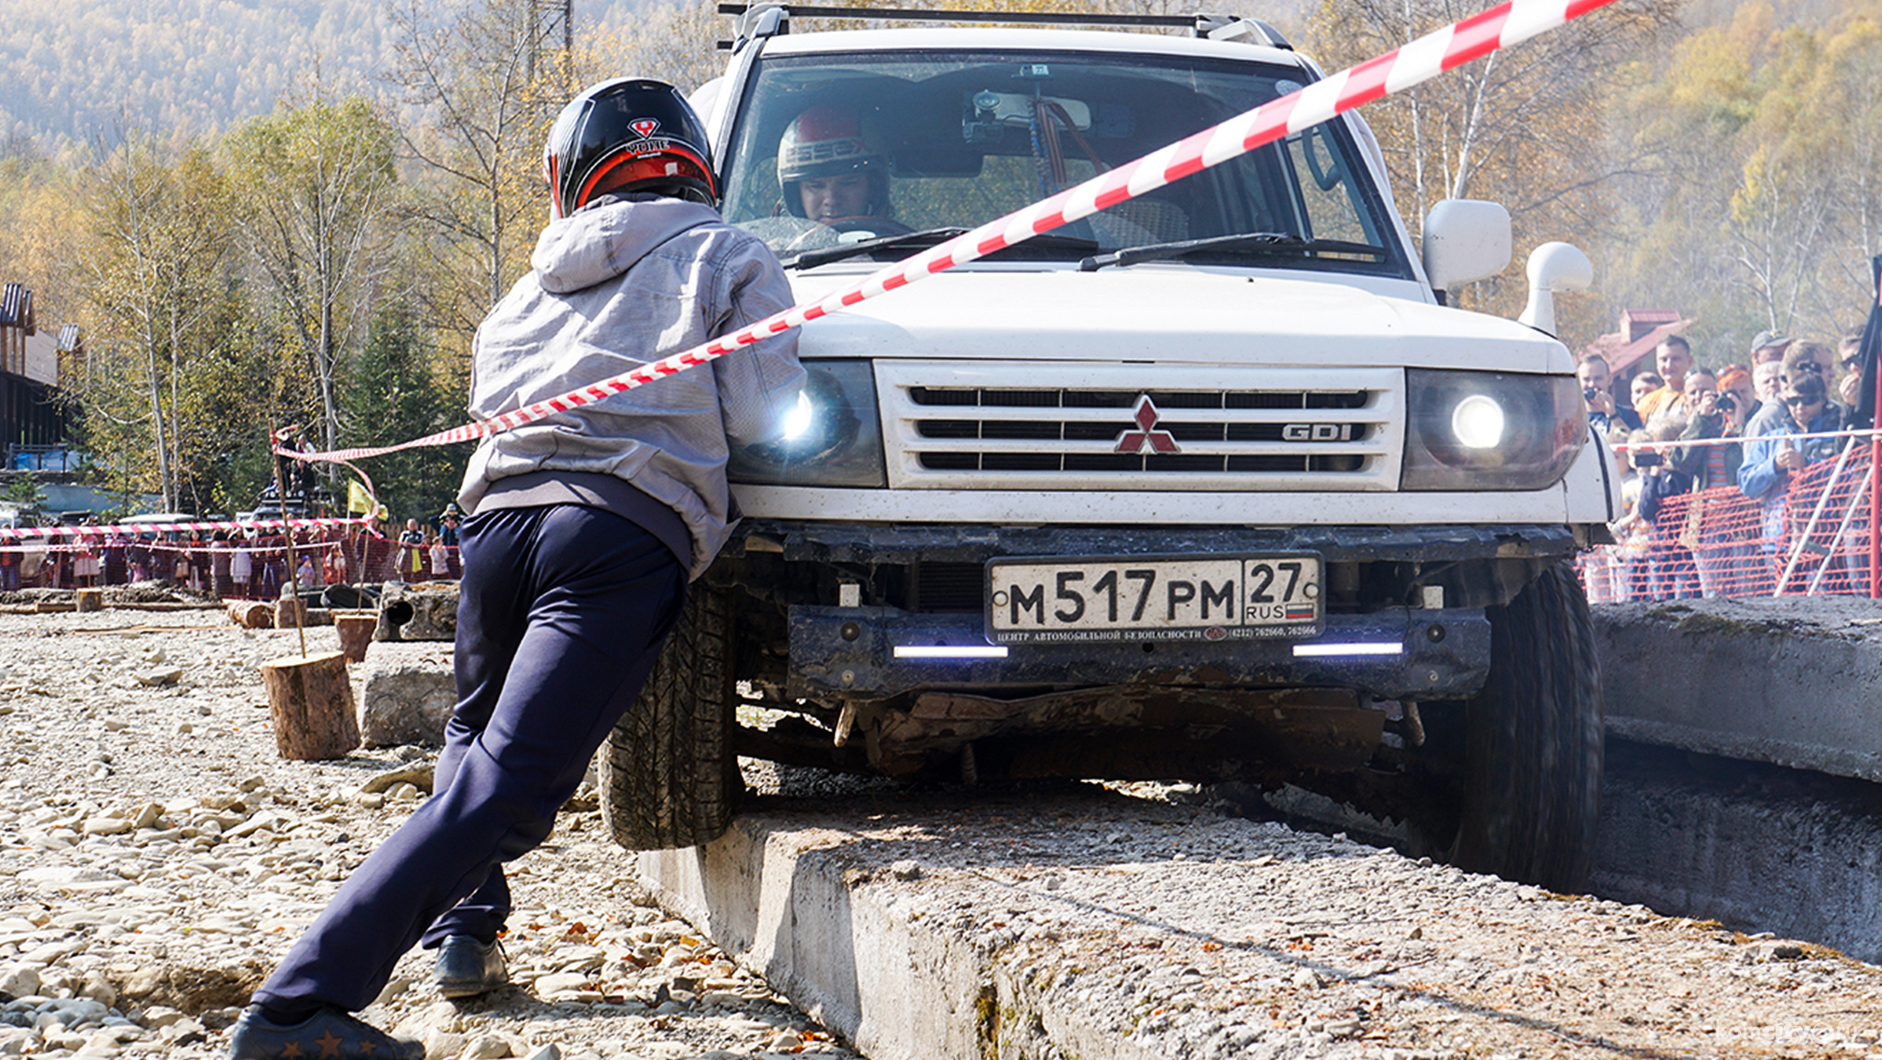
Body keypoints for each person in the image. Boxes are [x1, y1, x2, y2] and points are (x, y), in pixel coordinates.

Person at [229, 78, 806, 1060]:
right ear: (696, 161)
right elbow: (764, 419)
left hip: (495, 534)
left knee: (473, 742)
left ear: (569, 180)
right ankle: (295, 1007)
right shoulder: (731, 254)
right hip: (616, 537)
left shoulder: (521, 293)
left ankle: (468, 930)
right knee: (512, 783)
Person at [775, 103, 907, 239]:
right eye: (816, 186)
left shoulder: (917, 257)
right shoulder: (771, 258)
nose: (831, 200)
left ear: (873, 188)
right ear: (796, 195)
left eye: (848, 183)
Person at [1634, 335, 1693, 424]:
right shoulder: (1646, 402)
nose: (1668, 365)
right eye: (1664, 359)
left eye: (1675, 359)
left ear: (1689, 361)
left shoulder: (1696, 397)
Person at [1578, 353, 1641, 435]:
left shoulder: (1629, 415)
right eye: (1586, 379)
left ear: (1609, 379)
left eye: (1598, 378)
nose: (1592, 384)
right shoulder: (1571, 418)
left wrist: (1612, 415)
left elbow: (1632, 444)